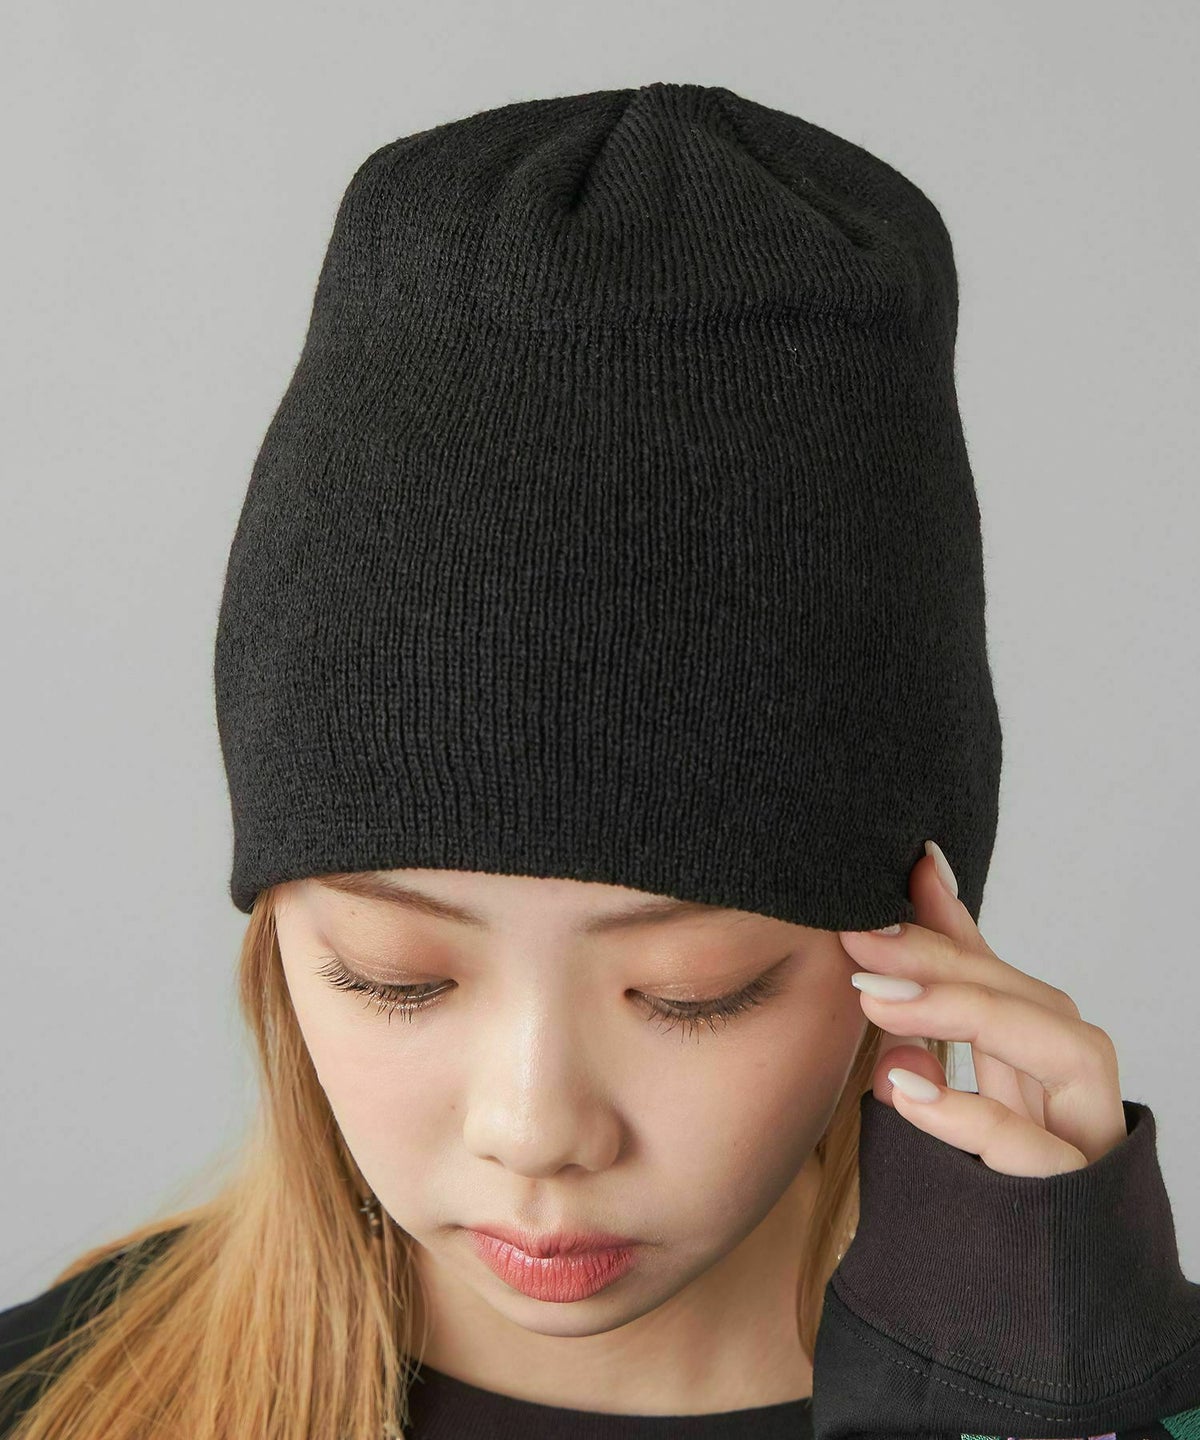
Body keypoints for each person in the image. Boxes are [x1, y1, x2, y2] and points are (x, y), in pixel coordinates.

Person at [3, 81, 1198, 1440]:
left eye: (693, 993)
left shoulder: (1104, 1405)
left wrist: (1045, 1403)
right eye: (394, 977)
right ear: (278, 940)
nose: (535, 1130)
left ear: (915, 947)